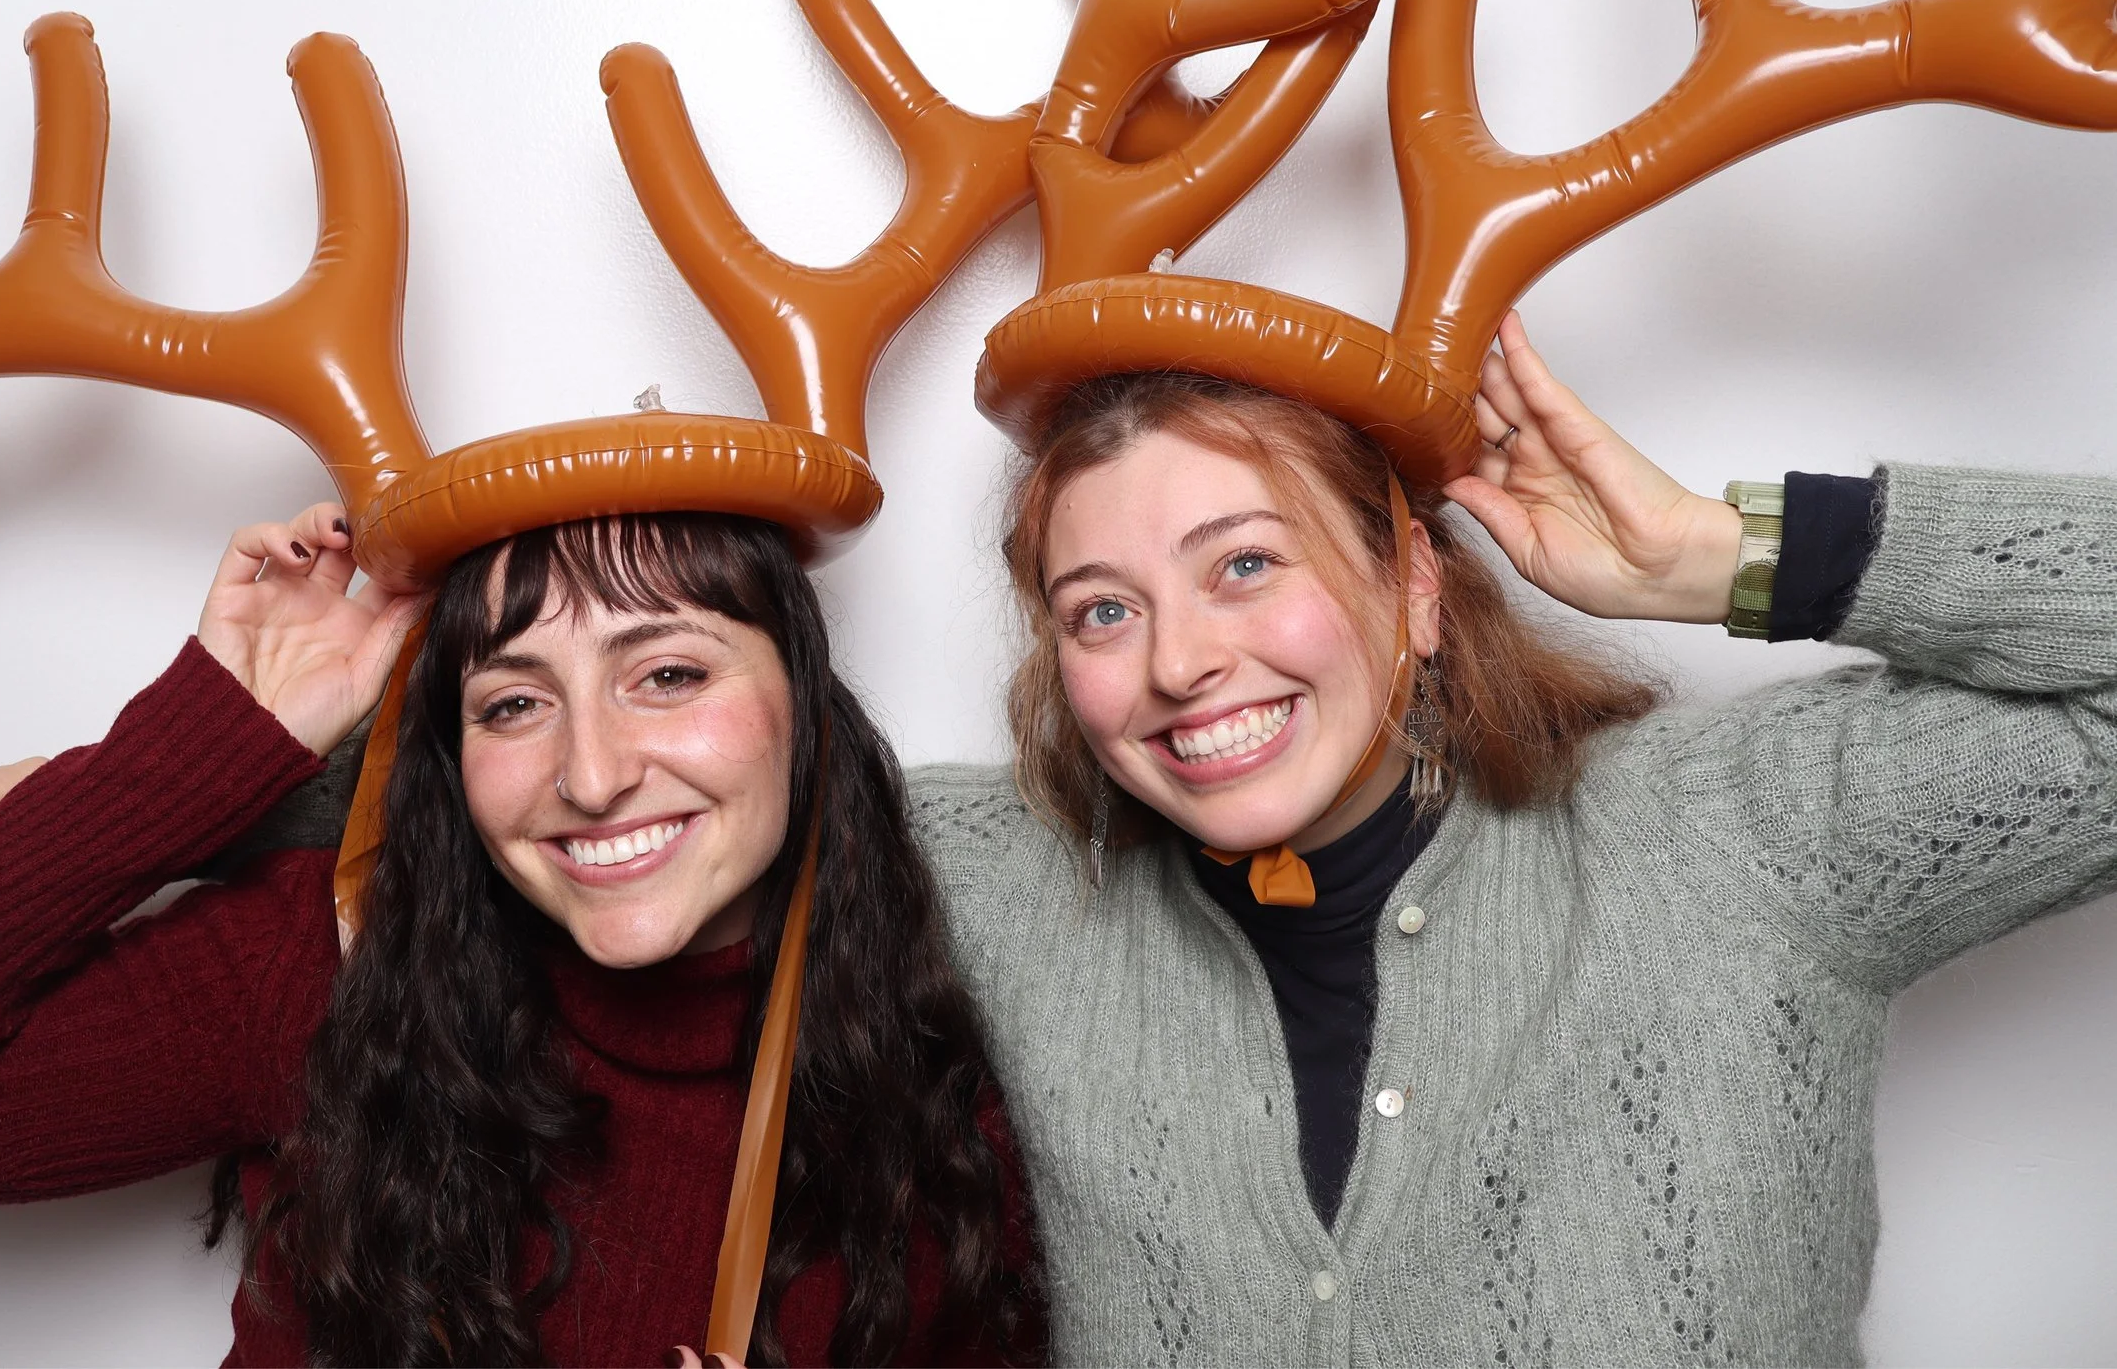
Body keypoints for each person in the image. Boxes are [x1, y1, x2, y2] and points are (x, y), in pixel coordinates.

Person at [897, 313, 2117, 1363]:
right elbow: (724, 786)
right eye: (1102, 609)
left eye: (1246, 563)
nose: (1178, 661)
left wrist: (1729, 556)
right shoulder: (1012, 881)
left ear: (1416, 585)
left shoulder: (1735, 834)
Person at [0, 501, 1044, 1367]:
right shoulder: (323, 968)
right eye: (511, 703)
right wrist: (207, 749)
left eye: (669, 672)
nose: (591, 770)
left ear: (802, 703)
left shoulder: (938, 1083)